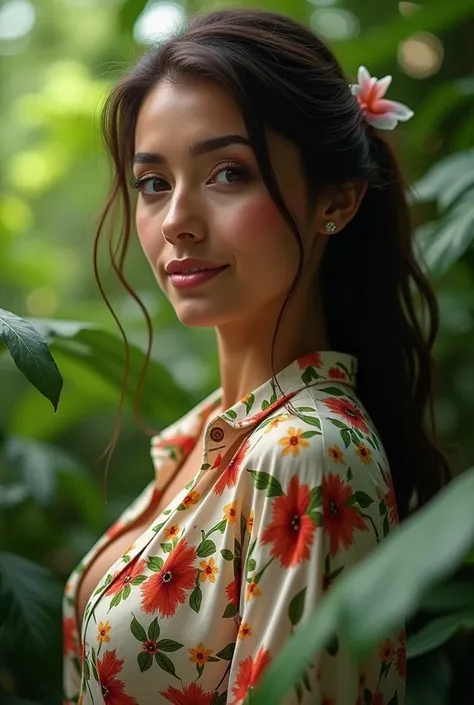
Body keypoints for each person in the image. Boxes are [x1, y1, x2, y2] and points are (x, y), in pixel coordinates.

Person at [62, 7, 449, 705]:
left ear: (336, 199)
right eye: (154, 183)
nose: (177, 217)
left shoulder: (308, 450)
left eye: (228, 173)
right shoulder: (206, 436)